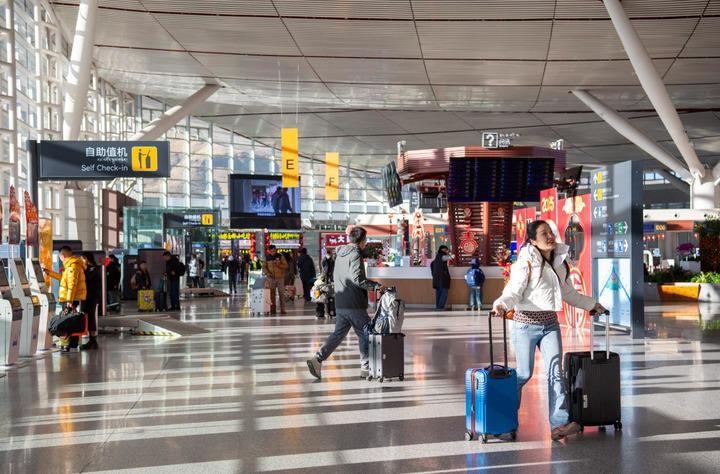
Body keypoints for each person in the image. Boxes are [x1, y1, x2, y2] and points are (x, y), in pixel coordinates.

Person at [492, 220, 606, 441]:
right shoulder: (526, 263)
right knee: (524, 374)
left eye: (550, 232)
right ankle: (502, 416)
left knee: (556, 374)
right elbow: (513, 291)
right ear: (533, 241)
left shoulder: (560, 262)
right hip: (525, 324)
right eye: (543, 233)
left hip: (550, 325)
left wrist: (592, 304)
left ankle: (559, 425)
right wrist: (501, 304)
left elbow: (569, 294)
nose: (550, 236)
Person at [306, 226, 385, 380]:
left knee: (338, 335)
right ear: (362, 240)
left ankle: (317, 359)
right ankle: (366, 368)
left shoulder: (340, 253)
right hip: (354, 302)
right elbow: (357, 279)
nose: (366, 242)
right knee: (365, 333)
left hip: (341, 301)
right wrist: (376, 286)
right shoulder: (355, 253)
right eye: (365, 239)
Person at [44, 246, 87, 352]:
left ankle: (70, 345)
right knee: (71, 320)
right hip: (69, 298)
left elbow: (72, 285)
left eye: (60, 257)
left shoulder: (72, 266)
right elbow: (63, 279)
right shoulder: (71, 266)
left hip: (69, 299)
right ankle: (71, 344)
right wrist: (49, 273)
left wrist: (69, 301)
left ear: (63, 255)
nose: (60, 259)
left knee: (69, 321)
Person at [80, 252, 102, 350]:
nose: (81, 261)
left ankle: (92, 340)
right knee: (89, 317)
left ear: (86, 259)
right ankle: (92, 340)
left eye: (82, 259)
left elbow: (85, 278)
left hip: (91, 297)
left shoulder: (93, 269)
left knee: (90, 317)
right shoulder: (91, 269)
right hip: (88, 296)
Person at [263, 245, 288, 315]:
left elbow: (286, 265)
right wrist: (268, 273)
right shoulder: (267, 257)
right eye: (271, 251)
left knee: (281, 294)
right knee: (272, 295)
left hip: (280, 278)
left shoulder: (280, 256)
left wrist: (279, 265)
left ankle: (283, 310)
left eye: (274, 251)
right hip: (271, 278)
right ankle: (272, 310)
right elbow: (264, 267)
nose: (273, 252)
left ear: (276, 250)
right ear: (269, 251)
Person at [431, 245, 452, 310]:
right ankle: (440, 307)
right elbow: (449, 257)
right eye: (446, 250)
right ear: (442, 249)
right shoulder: (441, 256)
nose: (447, 251)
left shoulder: (436, 258)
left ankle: (438, 307)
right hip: (443, 279)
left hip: (437, 279)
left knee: (439, 293)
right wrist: (450, 255)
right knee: (444, 293)